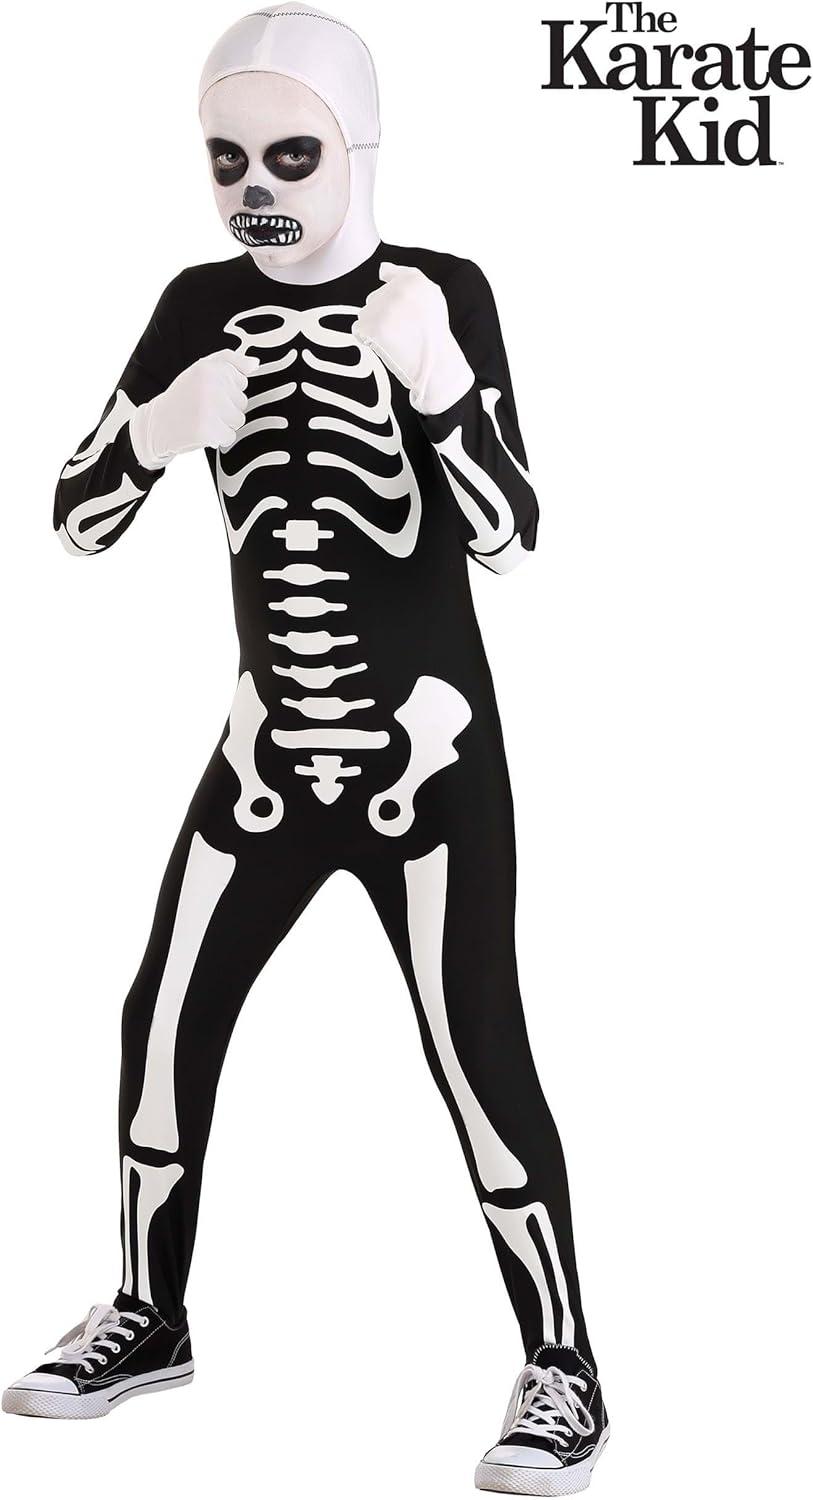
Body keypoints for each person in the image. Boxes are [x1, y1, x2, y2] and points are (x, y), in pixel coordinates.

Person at [3, 7, 608, 1492]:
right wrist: (157, 429)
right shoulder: (196, 303)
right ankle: (149, 1315)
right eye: (227, 159)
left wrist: (439, 385)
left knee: (477, 1050)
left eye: (291, 154)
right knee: (160, 1021)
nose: (255, 185)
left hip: (425, 761)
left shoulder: (440, 290)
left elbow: (513, 535)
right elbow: (78, 518)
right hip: (266, 751)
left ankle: (564, 1365)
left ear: (360, 148)